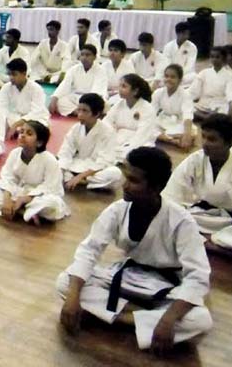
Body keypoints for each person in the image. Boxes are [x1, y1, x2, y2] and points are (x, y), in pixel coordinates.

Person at [57, 147, 213, 355]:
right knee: (64, 283)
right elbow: (89, 250)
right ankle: (141, 321)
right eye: (126, 177)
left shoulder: (181, 221)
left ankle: (115, 316)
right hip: (128, 276)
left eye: (134, 181)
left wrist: (170, 318)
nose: (125, 185)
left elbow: (198, 276)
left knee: (200, 320)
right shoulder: (117, 210)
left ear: (156, 186)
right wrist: (74, 296)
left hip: (166, 284)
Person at [162, 113, 232, 285]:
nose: (205, 143)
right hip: (200, 216)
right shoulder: (195, 160)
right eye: (204, 137)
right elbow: (172, 194)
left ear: (229, 143)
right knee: (169, 220)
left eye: (212, 139)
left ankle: (203, 242)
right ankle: (215, 246)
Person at [0, 121, 67, 224]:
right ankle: (24, 212)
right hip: (18, 192)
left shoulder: (49, 159)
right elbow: (7, 178)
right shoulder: (15, 153)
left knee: (52, 205)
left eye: (29, 134)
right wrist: (6, 198)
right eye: (21, 132)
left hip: (38, 197)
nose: (22, 135)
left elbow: (51, 187)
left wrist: (26, 199)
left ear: (39, 142)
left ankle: (20, 210)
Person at [58, 93, 123, 191]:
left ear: (96, 114)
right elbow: (65, 152)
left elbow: (104, 161)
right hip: (75, 165)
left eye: (85, 111)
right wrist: (61, 170)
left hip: (95, 170)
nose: (80, 114)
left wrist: (80, 177)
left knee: (115, 173)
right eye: (79, 110)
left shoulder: (108, 132)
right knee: (55, 165)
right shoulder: (76, 128)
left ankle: (79, 181)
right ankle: (79, 181)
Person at [105, 74, 158, 162]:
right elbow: (107, 122)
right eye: (120, 86)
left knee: (136, 156)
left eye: (124, 86)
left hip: (140, 141)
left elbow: (143, 134)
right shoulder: (119, 104)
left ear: (135, 91)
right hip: (119, 138)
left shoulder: (147, 108)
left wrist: (129, 148)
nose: (120, 89)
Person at [49, 44, 107, 116]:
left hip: (93, 100)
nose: (84, 57)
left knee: (106, 106)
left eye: (88, 55)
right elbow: (64, 85)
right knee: (60, 102)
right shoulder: (74, 69)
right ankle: (81, 112)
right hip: (76, 98)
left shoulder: (100, 71)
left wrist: (86, 104)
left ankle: (82, 111)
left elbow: (97, 91)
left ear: (94, 57)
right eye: (82, 55)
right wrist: (54, 98)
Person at [0, 58, 49, 136]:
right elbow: (0, 107)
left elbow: (36, 112)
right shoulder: (6, 87)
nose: (11, 77)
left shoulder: (36, 88)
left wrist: (16, 124)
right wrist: (5, 122)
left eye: (14, 74)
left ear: (24, 74)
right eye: (9, 74)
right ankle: (21, 131)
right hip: (18, 116)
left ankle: (21, 131)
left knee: (38, 126)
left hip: (35, 118)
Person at [189, 46, 232, 122]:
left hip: (220, 104)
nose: (214, 59)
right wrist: (185, 97)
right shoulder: (204, 72)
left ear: (224, 59)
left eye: (217, 57)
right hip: (203, 104)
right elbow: (194, 90)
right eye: (212, 57)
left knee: (228, 112)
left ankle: (208, 118)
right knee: (188, 107)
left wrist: (231, 104)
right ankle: (207, 117)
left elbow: (231, 92)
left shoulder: (230, 75)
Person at [153, 64, 195, 150]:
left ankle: (165, 137)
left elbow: (188, 115)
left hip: (179, 122)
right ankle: (172, 141)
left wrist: (187, 135)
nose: (168, 79)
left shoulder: (185, 94)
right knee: (148, 127)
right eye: (166, 76)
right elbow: (151, 112)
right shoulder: (158, 93)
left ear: (180, 80)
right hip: (163, 120)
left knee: (190, 132)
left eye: (173, 77)